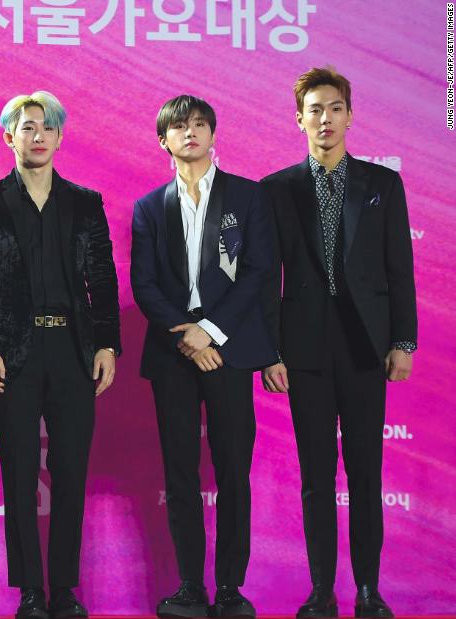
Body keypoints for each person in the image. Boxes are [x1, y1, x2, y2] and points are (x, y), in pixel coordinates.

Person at [260, 67, 416, 619]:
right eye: (314, 110)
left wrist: (403, 341)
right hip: (303, 349)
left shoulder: (382, 185)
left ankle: (369, 590)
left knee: (366, 471)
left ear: (349, 115)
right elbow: (266, 277)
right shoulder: (277, 189)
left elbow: (400, 269)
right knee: (316, 476)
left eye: (334, 108)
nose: (324, 119)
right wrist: (270, 352)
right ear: (298, 119)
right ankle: (320, 590)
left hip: (364, 346)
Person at [0, 91, 120, 619]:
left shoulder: (85, 203)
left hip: (74, 351)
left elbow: (102, 279)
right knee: (20, 472)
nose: (39, 135)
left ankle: (65, 589)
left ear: (60, 136)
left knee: (70, 471)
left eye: (48, 127)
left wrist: (107, 345)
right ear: (9, 136)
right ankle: (30, 590)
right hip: (14, 353)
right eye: (28, 127)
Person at [130, 95, 275, 619]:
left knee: (234, 470)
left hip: (228, 351)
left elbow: (259, 271)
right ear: (163, 141)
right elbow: (144, 284)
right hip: (174, 355)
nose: (189, 132)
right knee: (180, 473)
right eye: (179, 127)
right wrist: (186, 336)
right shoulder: (150, 207)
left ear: (213, 134)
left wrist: (209, 333)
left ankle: (230, 588)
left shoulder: (248, 197)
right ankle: (190, 586)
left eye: (198, 124)